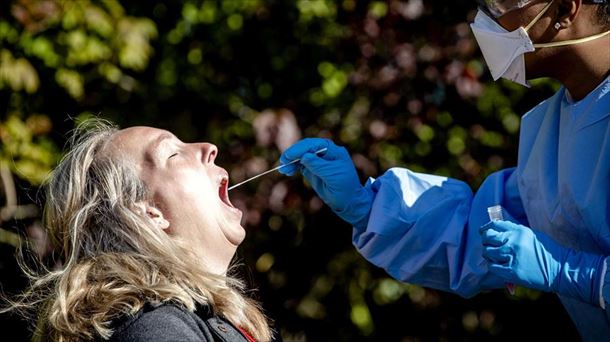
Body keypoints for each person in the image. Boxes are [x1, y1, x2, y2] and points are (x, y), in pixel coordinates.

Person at [278, 0, 610, 340]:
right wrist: (366, 206)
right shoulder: (551, 131)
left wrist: (575, 274)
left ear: (566, 9)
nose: (484, 19)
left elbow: (550, 259)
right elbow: (478, 234)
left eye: (499, 3)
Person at [3, 120, 272, 341]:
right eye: (173, 153)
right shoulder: (155, 329)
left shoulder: (182, 322)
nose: (209, 148)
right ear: (149, 213)